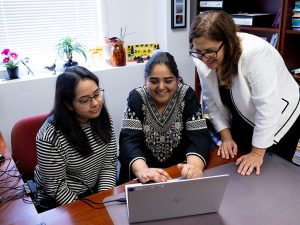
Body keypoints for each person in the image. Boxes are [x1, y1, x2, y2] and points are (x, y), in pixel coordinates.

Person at [189, 10, 300, 176]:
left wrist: (257, 153)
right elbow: (210, 100)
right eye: (199, 51)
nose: (204, 59)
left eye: (210, 51)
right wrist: (226, 137)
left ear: (228, 42)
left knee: (268, 173)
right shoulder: (202, 55)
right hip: (243, 114)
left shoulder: (255, 53)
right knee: (240, 166)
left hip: (280, 117)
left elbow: (268, 107)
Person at [118, 51, 212, 184]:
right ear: (145, 80)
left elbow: (199, 137)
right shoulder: (136, 98)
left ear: (177, 79)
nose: (161, 87)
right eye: (154, 81)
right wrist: (143, 171)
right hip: (144, 178)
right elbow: (129, 142)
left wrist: (193, 168)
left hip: (178, 175)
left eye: (168, 81)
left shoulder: (187, 96)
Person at [34, 66, 118, 211]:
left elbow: (109, 164)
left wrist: (103, 200)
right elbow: (57, 188)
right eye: (84, 101)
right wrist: (88, 212)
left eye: (97, 94)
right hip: (60, 201)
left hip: (94, 191)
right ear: (68, 104)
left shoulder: (102, 118)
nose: (96, 103)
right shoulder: (49, 137)